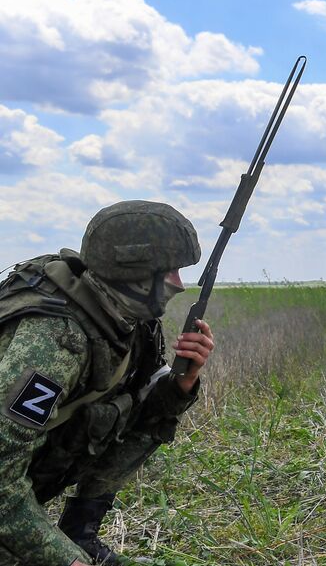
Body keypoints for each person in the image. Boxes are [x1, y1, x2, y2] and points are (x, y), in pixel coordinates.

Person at [0, 201, 216, 566]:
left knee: (141, 408)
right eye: (171, 271)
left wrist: (184, 382)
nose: (179, 285)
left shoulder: (127, 321)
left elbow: (147, 415)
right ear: (133, 272)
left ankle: (80, 531)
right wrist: (67, 561)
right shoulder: (55, 340)